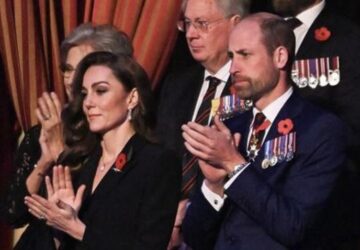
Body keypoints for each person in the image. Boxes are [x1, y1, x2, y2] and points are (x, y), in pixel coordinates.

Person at [181, 13, 346, 249]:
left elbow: (294, 227)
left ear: (279, 57)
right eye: (231, 56)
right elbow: (194, 238)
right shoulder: (230, 128)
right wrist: (213, 187)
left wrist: (233, 164)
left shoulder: (319, 130)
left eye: (245, 55)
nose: (233, 68)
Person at [24, 51, 181, 249]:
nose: (88, 102)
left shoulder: (157, 163)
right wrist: (57, 224)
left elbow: (150, 245)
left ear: (132, 98)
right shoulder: (79, 161)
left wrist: (78, 229)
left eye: (100, 91)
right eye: (84, 93)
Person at [0, 23, 133, 249]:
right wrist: (45, 160)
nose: (71, 79)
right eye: (67, 69)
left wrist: (62, 154)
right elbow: (13, 214)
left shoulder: (121, 139)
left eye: (82, 68)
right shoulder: (45, 132)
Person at [156, 0, 250, 248]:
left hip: (225, 229)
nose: (191, 34)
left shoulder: (253, 87)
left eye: (202, 24)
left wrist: (190, 211)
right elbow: (161, 157)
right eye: (186, 24)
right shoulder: (176, 85)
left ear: (236, 25)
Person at [272, 0, 360, 248]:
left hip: (322, 204)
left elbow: (352, 128)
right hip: (260, 194)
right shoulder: (262, 30)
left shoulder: (347, 39)